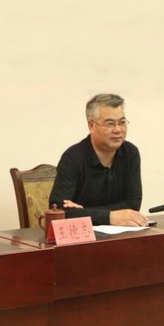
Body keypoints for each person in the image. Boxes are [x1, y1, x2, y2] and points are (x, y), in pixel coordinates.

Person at [49, 93, 149, 226]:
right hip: (83, 235)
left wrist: (85, 212)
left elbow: (133, 204)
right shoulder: (73, 158)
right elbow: (58, 211)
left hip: (121, 233)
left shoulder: (130, 153)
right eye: (110, 124)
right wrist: (109, 217)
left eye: (122, 122)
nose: (118, 130)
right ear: (91, 125)